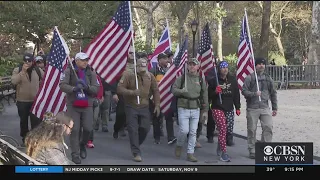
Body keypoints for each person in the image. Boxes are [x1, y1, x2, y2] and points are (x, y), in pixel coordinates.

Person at [117, 58, 160, 162]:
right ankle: (136, 152)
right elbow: (119, 89)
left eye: (144, 67)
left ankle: (136, 143)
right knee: (132, 129)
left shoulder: (150, 76)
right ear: (136, 66)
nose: (142, 69)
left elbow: (155, 90)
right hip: (131, 105)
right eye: (140, 66)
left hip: (144, 105)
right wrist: (132, 92)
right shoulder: (128, 75)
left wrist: (157, 104)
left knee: (145, 128)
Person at [59, 52, 99, 164]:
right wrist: (74, 88)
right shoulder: (69, 71)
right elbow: (62, 85)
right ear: (76, 61)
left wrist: (87, 87)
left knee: (88, 128)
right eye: (83, 60)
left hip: (87, 104)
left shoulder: (91, 72)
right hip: (73, 104)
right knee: (75, 130)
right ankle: (75, 154)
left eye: (87, 59)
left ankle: (82, 144)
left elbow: (96, 88)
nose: (85, 62)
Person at [172, 58, 209, 162]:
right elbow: (173, 90)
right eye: (190, 64)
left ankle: (190, 153)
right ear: (187, 66)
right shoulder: (182, 78)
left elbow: (204, 95)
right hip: (183, 107)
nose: (192, 66)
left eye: (194, 65)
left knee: (193, 132)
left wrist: (205, 110)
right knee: (184, 130)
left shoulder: (201, 80)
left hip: (195, 108)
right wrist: (181, 91)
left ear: (198, 67)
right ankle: (179, 145)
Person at [242, 57, 278, 159]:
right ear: (255, 65)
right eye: (259, 64)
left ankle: (265, 148)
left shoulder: (268, 78)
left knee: (268, 127)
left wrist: (275, 107)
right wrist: (254, 94)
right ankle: (252, 150)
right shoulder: (250, 78)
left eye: (263, 64)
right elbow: (244, 91)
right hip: (252, 108)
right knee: (252, 130)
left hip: (265, 107)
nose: (261, 65)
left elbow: (273, 93)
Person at [208, 61, 241, 162]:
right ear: (219, 69)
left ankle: (220, 144)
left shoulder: (232, 80)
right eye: (222, 67)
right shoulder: (214, 80)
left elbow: (236, 94)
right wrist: (215, 92)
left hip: (229, 107)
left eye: (226, 67)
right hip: (217, 107)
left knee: (228, 130)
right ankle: (224, 153)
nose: (225, 69)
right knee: (222, 129)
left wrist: (238, 107)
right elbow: (209, 95)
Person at [11, 53, 44, 145]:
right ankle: (24, 138)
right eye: (26, 61)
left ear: (32, 61)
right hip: (22, 101)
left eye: (29, 61)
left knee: (36, 121)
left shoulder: (37, 70)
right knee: (23, 121)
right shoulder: (17, 70)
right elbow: (14, 81)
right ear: (23, 61)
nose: (27, 63)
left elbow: (45, 79)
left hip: (34, 101)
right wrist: (23, 72)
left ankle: (34, 138)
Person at [149, 53, 177, 145]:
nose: (167, 61)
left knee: (169, 118)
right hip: (156, 98)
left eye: (167, 59)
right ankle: (157, 137)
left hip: (167, 98)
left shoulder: (169, 70)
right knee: (156, 118)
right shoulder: (154, 71)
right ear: (159, 60)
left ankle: (171, 137)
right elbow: (149, 84)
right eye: (164, 59)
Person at [87, 72, 104, 148]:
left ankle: (89, 139)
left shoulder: (95, 76)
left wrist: (99, 97)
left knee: (94, 119)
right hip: (83, 100)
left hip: (94, 101)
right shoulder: (78, 74)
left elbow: (99, 87)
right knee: (84, 121)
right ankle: (82, 139)